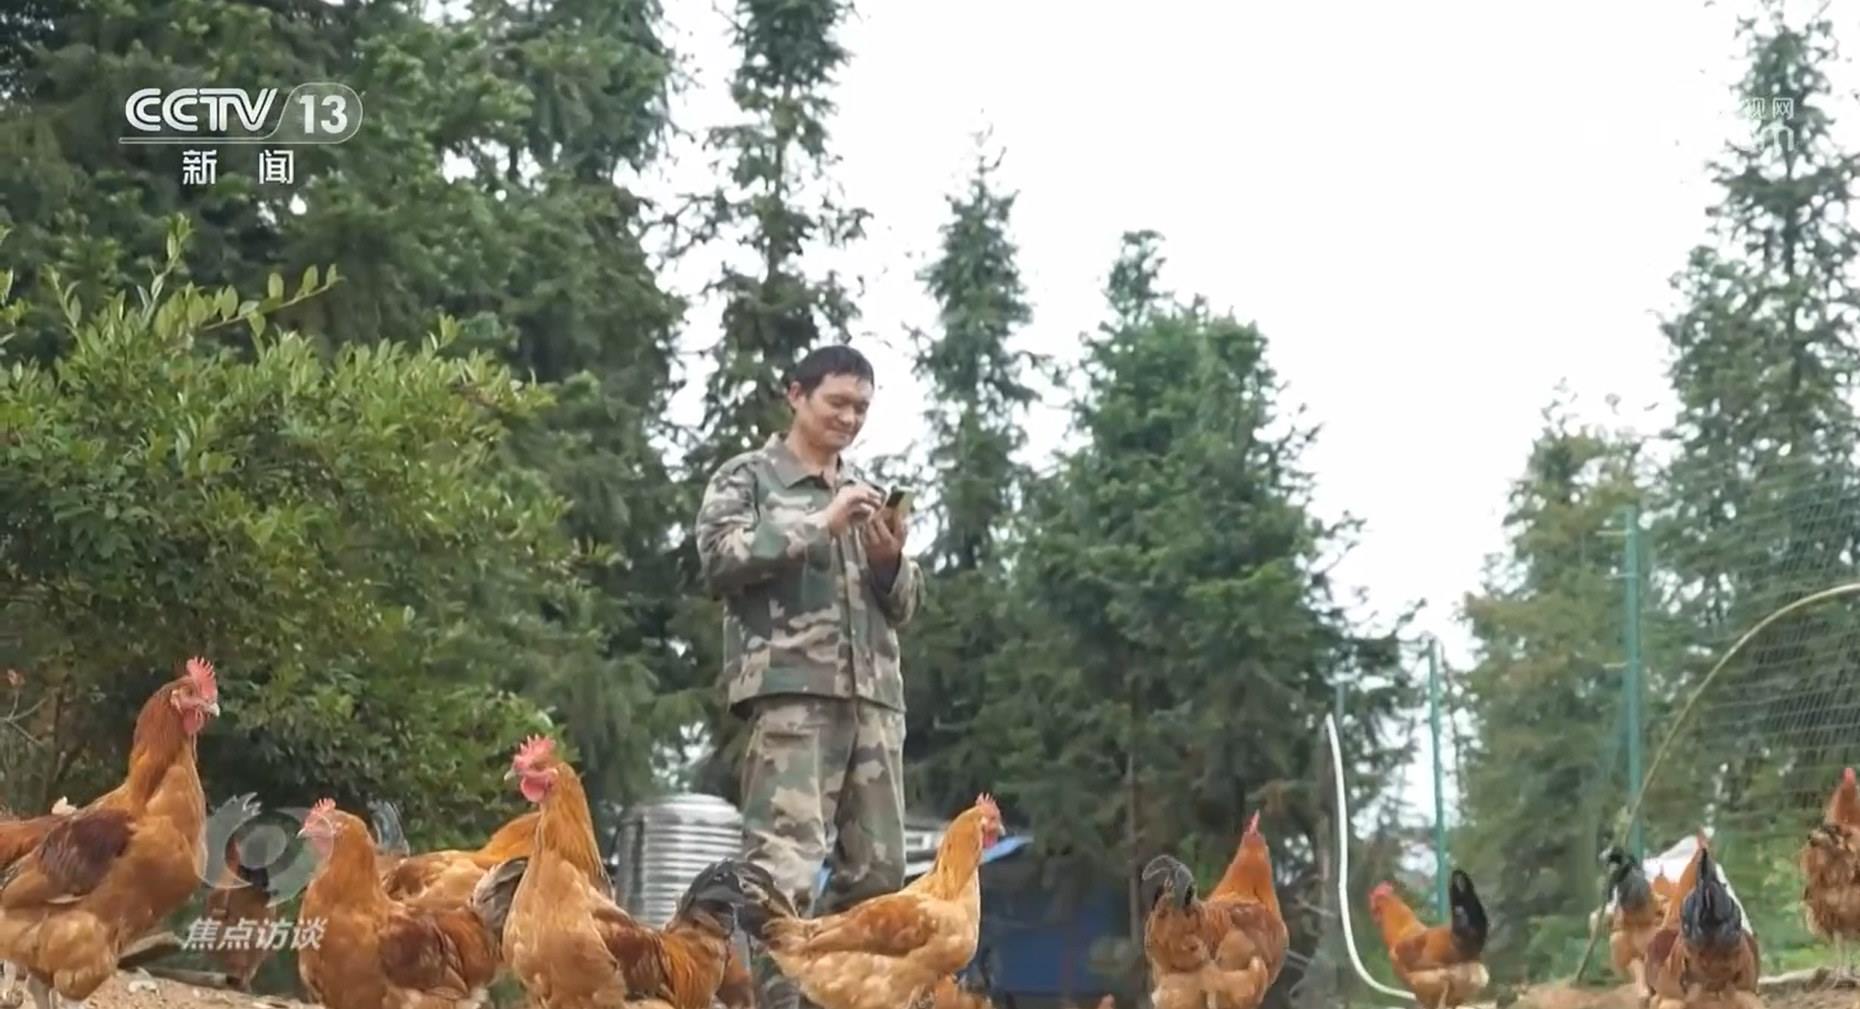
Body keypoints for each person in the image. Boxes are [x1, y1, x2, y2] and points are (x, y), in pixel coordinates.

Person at [693, 344, 924, 1009]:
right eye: (837, 402)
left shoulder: (866, 490)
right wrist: (821, 523)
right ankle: (775, 1001)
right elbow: (719, 559)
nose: (849, 418)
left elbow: (905, 605)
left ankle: (840, 997)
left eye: (862, 408)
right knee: (781, 870)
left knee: (879, 872)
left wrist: (889, 563)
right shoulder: (749, 478)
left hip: (874, 701)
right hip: (791, 697)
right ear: (795, 394)